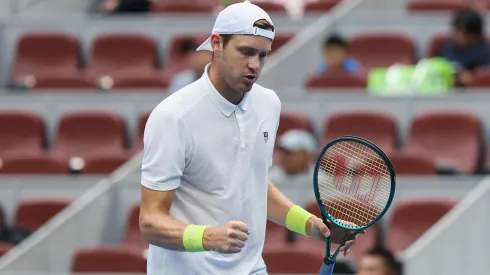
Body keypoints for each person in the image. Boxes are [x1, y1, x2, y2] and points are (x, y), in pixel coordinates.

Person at [139, 1, 361, 274]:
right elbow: (150, 222)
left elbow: (253, 184)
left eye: (263, 55)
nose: (254, 65)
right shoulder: (172, 117)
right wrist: (208, 237)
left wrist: (310, 224)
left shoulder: (268, 104)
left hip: (251, 268)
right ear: (217, 44)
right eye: (245, 52)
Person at [437, 7, 490, 86]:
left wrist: (472, 77)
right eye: (456, 30)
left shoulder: (484, 52)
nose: (457, 35)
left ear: (474, 35)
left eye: (462, 32)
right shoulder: (447, 48)